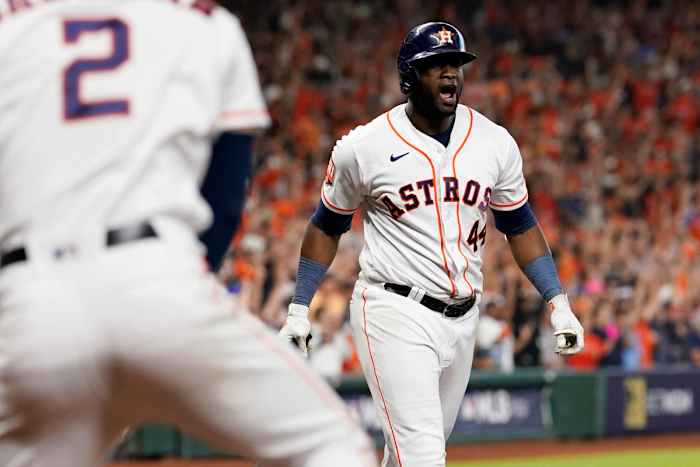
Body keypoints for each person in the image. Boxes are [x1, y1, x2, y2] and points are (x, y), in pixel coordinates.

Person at [0, 1, 376, 467]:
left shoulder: (11, 24)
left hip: (32, 301)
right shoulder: (203, 23)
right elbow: (224, 196)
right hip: (156, 278)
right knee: (335, 447)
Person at [280, 21, 584, 466]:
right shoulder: (363, 147)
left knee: (405, 454)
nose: (449, 74)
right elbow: (327, 226)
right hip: (392, 310)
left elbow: (519, 225)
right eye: (435, 65)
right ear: (407, 77)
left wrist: (558, 302)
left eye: (455, 64)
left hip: (463, 317)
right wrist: (299, 307)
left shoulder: (494, 142)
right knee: (422, 456)